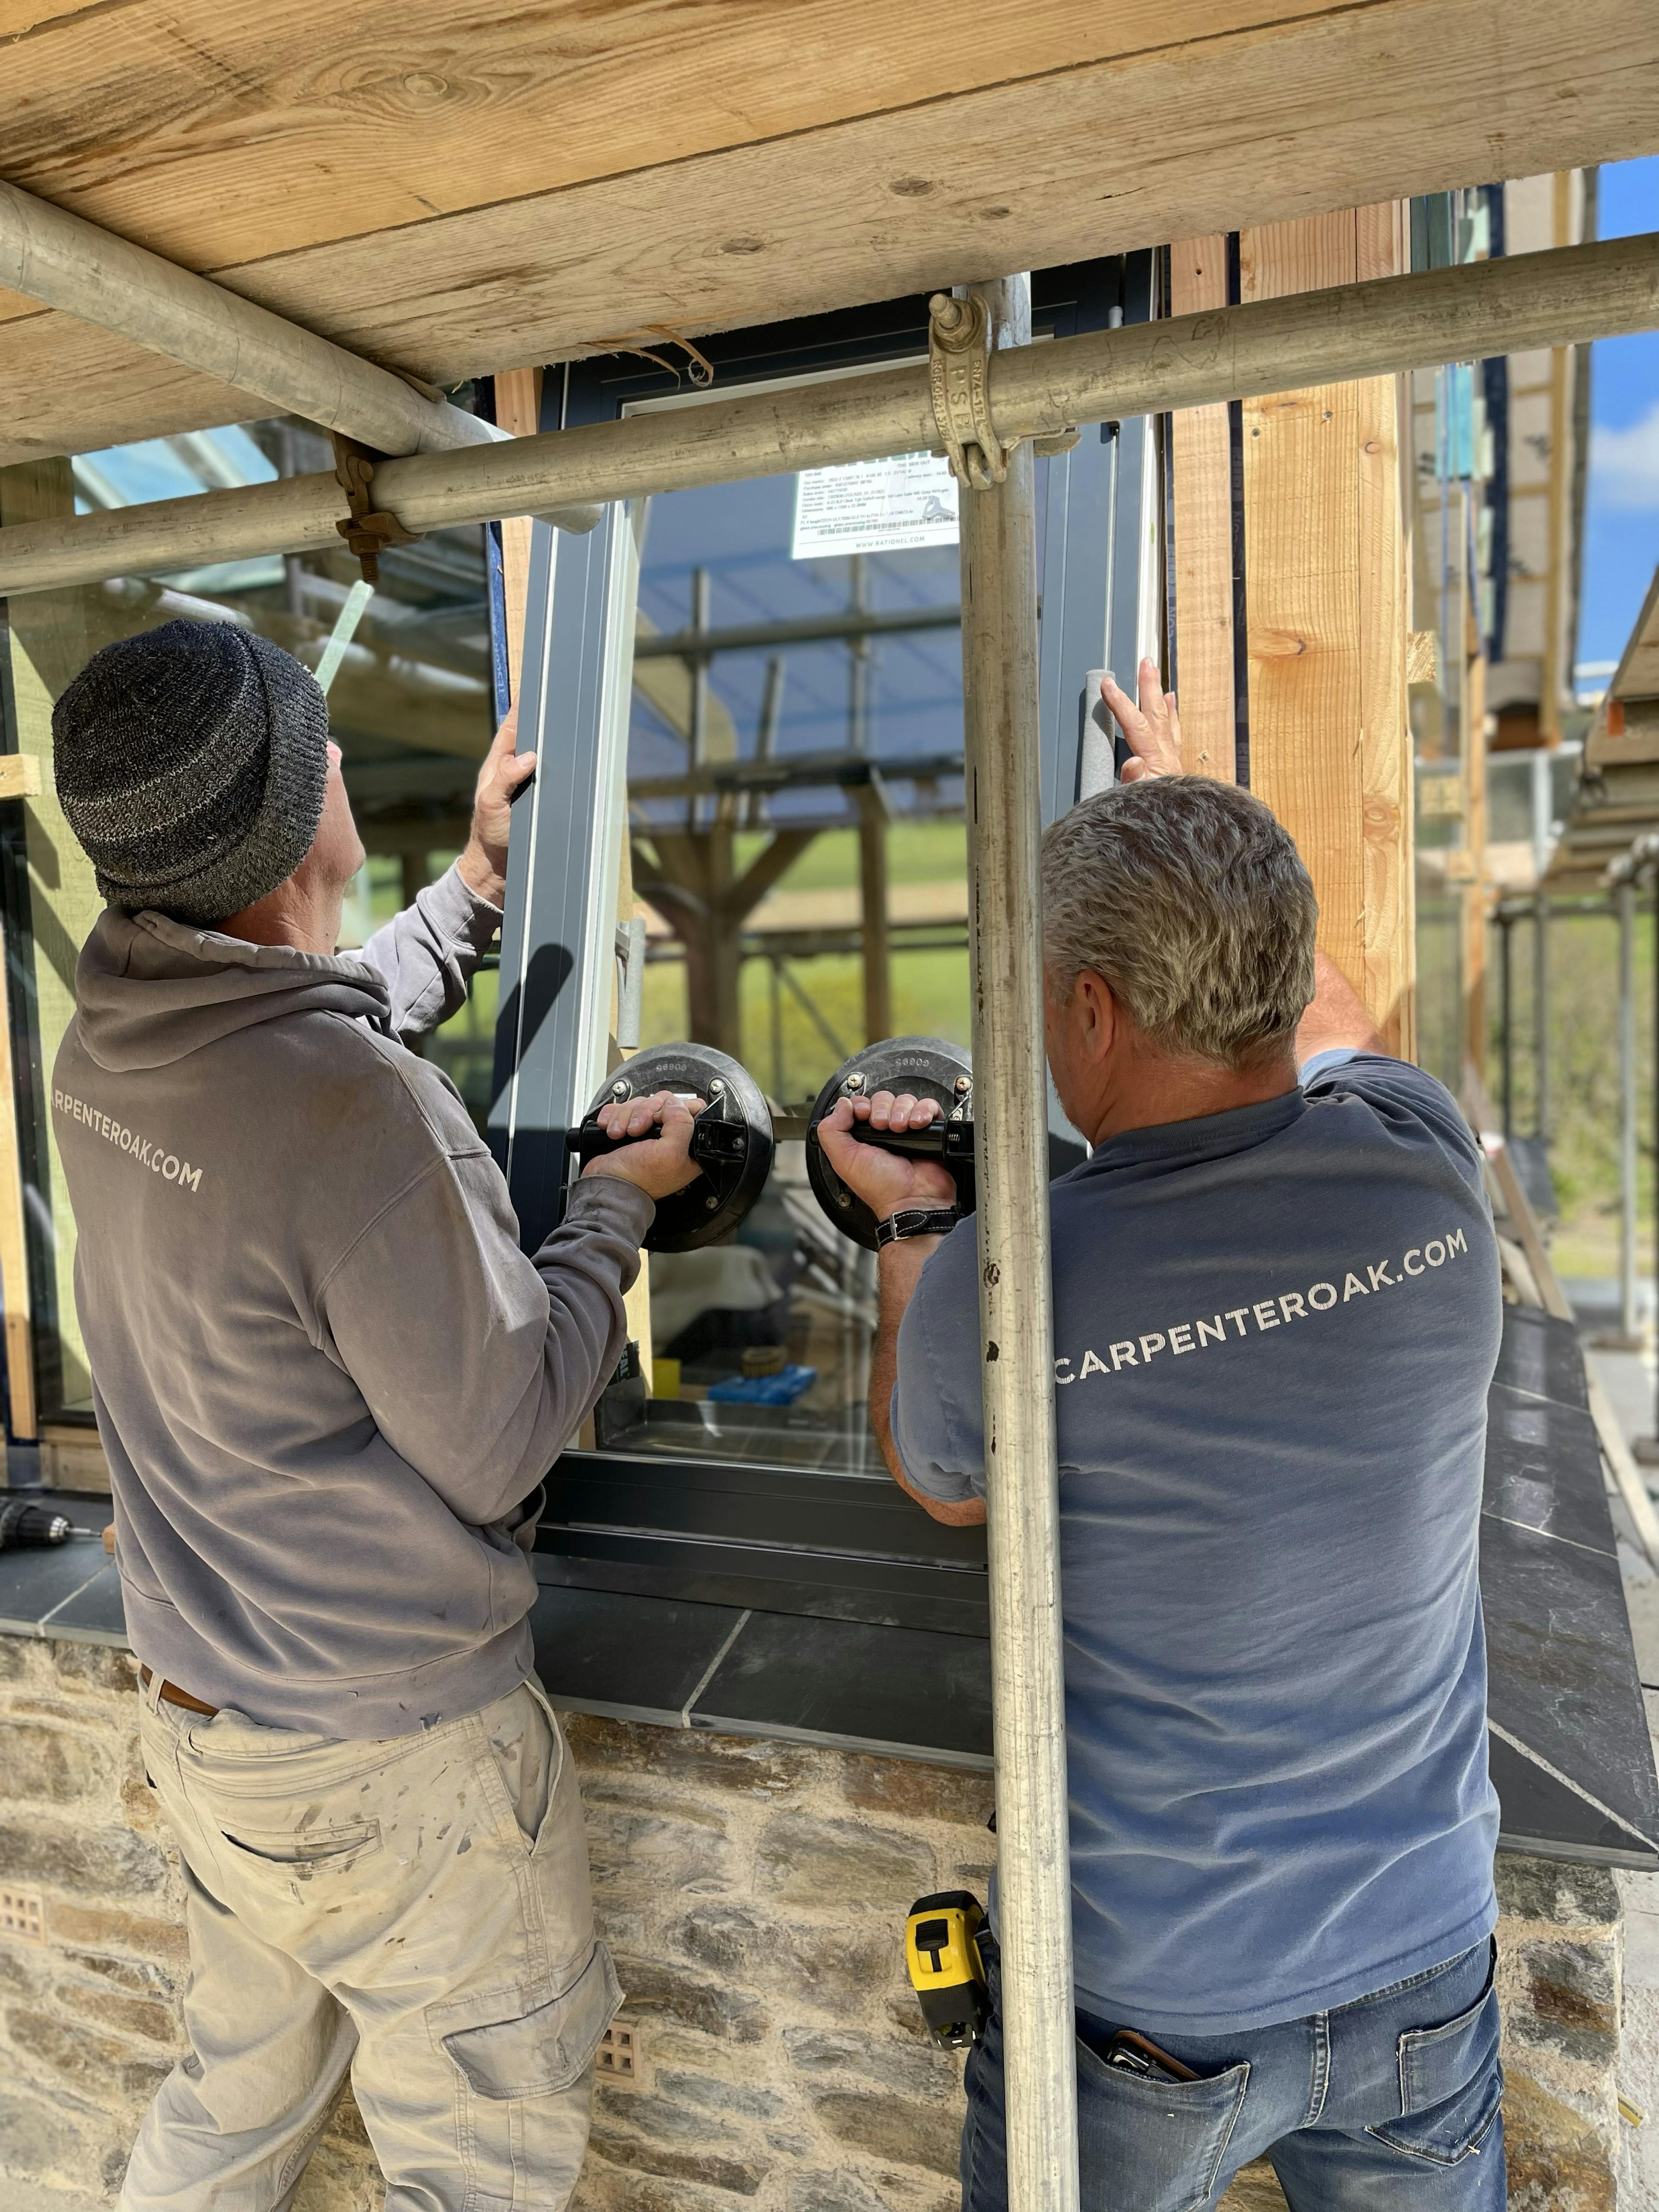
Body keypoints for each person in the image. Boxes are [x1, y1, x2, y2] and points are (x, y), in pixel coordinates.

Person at [818, 660, 1505, 2212]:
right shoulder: (1423, 1168)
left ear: (1088, 1007)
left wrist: (919, 1220)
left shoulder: (1015, 1283)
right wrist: (1188, 817)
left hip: (1147, 2011)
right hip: (1423, 1970)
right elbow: (1332, 1024)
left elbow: (940, 1481)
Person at [48, 621, 700, 2212]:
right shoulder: (357, 1114)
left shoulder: (108, 1045)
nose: (349, 762)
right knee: (471, 2173)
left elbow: (285, 1039)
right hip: (395, 1768)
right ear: (289, 823)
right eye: (321, 744)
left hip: (214, 1724)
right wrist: (613, 1204)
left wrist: (476, 893)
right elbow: (500, 1434)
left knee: (229, 2110)